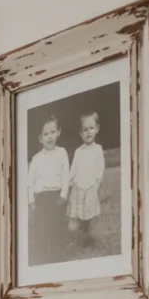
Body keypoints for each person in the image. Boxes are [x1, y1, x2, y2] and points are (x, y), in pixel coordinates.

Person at [27, 115, 70, 264]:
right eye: (46, 134)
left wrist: (63, 196)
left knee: (57, 228)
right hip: (41, 199)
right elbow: (29, 182)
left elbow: (66, 176)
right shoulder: (36, 158)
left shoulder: (62, 152)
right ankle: (41, 259)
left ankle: (57, 258)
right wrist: (31, 201)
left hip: (57, 197)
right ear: (40, 138)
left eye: (52, 132)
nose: (50, 137)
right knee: (41, 230)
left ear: (58, 132)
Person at [66, 111, 105, 247]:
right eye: (85, 130)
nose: (88, 132)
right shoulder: (78, 151)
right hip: (78, 187)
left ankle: (90, 238)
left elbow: (100, 168)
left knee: (90, 214)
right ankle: (78, 239)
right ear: (80, 134)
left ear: (97, 129)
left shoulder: (98, 149)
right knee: (78, 215)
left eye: (91, 128)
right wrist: (70, 183)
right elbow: (73, 169)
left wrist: (97, 183)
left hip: (91, 187)